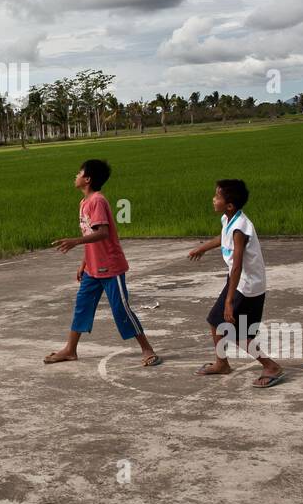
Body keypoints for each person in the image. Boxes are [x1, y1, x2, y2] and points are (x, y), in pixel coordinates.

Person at [44, 159, 160, 367]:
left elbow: (102, 233)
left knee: (121, 309)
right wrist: (84, 262)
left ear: (87, 179)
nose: (75, 176)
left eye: (79, 172)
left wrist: (75, 241)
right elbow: (90, 235)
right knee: (82, 306)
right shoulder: (84, 202)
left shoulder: (97, 201)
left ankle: (147, 349)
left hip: (110, 267)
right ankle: (71, 349)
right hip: (92, 268)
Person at [186, 178, 284, 388]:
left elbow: (238, 265)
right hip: (238, 281)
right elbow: (223, 238)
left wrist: (229, 301)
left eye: (217, 197)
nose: (213, 199)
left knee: (235, 332)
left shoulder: (241, 228)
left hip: (247, 286)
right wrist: (203, 247)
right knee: (215, 320)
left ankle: (271, 366)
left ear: (229, 205)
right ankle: (222, 363)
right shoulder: (228, 219)